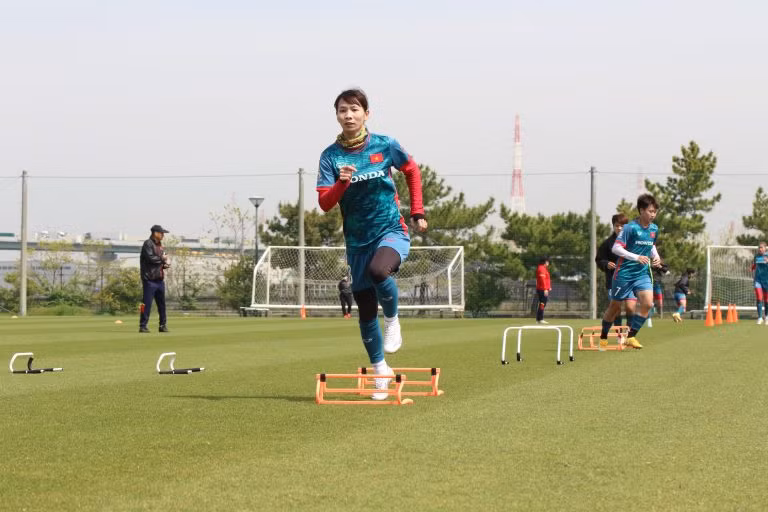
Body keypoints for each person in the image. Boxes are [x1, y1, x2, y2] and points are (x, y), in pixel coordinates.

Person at [317, 88, 427, 400]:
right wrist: (342, 182)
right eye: (342, 110)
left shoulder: (385, 144)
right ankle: (381, 371)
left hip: (390, 230)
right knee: (365, 308)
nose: (348, 115)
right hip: (356, 241)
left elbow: (412, 170)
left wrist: (417, 211)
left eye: (354, 109)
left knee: (380, 271)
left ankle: (392, 320)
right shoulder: (330, 156)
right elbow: (325, 203)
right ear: (337, 116)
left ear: (366, 114)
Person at [598, 194, 663, 349]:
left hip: (642, 274)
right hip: (624, 274)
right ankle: (603, 336)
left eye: (655, 212)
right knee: (615, 307)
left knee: (648, 303)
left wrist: (656, 257)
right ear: (641, 210)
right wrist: (636, 257)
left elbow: (651, 245)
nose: (653, 214)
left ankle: (631, 336)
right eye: (650, 211)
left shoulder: (654, 229)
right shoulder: (630, 228)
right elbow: (616, 248)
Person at [595, 213, 633, 327]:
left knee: (630, 307)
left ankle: (630, 332)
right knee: (616, 309)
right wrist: (606, 264)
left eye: (622, 226)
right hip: (613, 280)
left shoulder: (632, 241)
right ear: (613, 226)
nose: (619, 228)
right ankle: (619, 333)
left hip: (631, 280)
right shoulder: (607, 243)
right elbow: (599, 259)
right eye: (617, 225)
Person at [139, 224, 171, 333]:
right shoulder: (147, 244)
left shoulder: (160, 246)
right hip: (149, 280)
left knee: (162, 304)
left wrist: (165, 265)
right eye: (161, 233)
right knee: (145, 304)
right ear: (155, 233)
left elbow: (159, 262)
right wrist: (162, 259)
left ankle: (163, 325)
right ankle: (143, 326)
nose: (163, 235)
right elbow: (151, 258)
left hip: (159, 280)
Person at [752, 242, 768, 324]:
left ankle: (767, 316)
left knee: (766, 300)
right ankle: (759, 318)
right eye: (759, 247)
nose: (760, 249)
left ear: (765, 248)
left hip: (767, 281)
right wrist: (752, 268)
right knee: (759, 298)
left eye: (762, 247)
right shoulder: (756, 256)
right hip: (758, 280)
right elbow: (754, 266)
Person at [535, 257, 551, 324]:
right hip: (542, 289)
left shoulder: (543, 268)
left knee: (542, 303)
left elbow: (546, 279)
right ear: (545, 262)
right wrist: (545, 289)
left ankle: (539, 319)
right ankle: (540, 318)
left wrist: (549, 287)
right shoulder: (541, 269)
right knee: (542, 303)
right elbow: (542, 279)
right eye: (548, 261)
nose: (548, 263)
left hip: (543, 288)